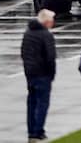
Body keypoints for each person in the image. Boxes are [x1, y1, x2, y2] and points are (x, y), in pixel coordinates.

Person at [23, 9, 57, 142]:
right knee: (42, 103)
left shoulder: (28, 33)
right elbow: (50, 57)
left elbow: (23, 53)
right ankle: (38, 130)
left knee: (31, 103)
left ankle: (31, 130)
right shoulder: (46, 35)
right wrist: (52, 73)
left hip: (30, 74)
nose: (53, 22)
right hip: (43, 74)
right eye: (52, 20)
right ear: (46, 21)